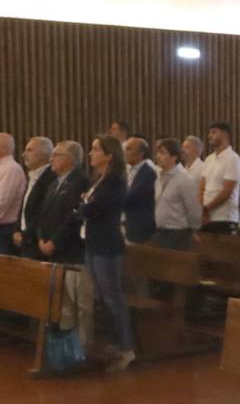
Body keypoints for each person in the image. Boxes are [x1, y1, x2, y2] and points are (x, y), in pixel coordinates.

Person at [76, 135, 136, 373]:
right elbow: (84, 206)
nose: (91, 153)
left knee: (113, 298)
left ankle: (127, 348)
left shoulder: (114, 182)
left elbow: (90, 209)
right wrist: (81, 208)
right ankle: (114, 343)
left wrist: (81, 208)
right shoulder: (98, 180)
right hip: (93, 242)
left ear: (109, 155)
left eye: (95, 150)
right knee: (101, 297)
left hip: (107, 245)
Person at [36, 141, 93, 348]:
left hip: (72, 251)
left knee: (81, 303)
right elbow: (43, 214)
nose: (51, 159)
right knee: (63, 302)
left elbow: (73, 217)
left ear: (69, 159)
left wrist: (54, 241)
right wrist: (42, 238)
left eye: (57, 155)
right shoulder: (54, 182)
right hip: (53, 250)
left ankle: (83, 346)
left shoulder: (80, 181)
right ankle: (67, 347)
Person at [151, 138, 203, 250]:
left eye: (163, 153)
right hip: (159, 232)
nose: (158, 156)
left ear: (173, 157)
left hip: (177, 234)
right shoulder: (158, 178)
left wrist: (191, 230)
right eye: (158, 153)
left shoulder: (184, 179)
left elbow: (194, 211)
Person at [16, 137, 56, 258]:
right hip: (25, 237)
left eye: (29, 150)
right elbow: (24, 207)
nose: (24, 154)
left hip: (37, 239)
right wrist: (17, 229)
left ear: (44, 155)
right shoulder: (32, 175)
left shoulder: (51, 177)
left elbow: (42, 210)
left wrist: (27, 234)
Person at [200, 122, 240, 233]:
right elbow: (202, 188)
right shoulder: (209, 159)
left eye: (214, 132)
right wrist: (201, 210)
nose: (209, 135)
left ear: (225, 135)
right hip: (206, 217)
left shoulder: (233, 159)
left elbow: (227, 192)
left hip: (224, 218)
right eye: (209, 133)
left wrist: (206, 209)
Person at [121, 136, 157, 245]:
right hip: (129, 224)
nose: (125, 152)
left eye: (129, 149)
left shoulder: (147, 173)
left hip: (140, 227)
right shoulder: (130, 170)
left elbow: (132, 197)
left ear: (141, 153)